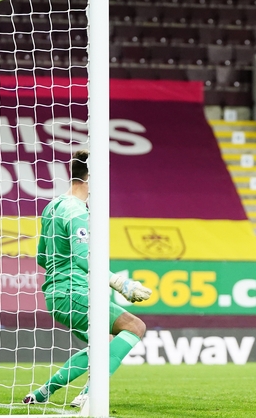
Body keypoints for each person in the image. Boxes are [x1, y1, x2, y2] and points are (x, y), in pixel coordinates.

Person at [23, 149, 152, 407]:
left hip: (56, 294)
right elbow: (84, 259)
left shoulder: (53, 207)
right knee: (135, 327)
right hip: (76, 292)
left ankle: (43, 393)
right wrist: (121, 284)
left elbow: (41, 257)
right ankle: (92, 392)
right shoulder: (77, 211)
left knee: (103, 345)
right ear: (90, 177)